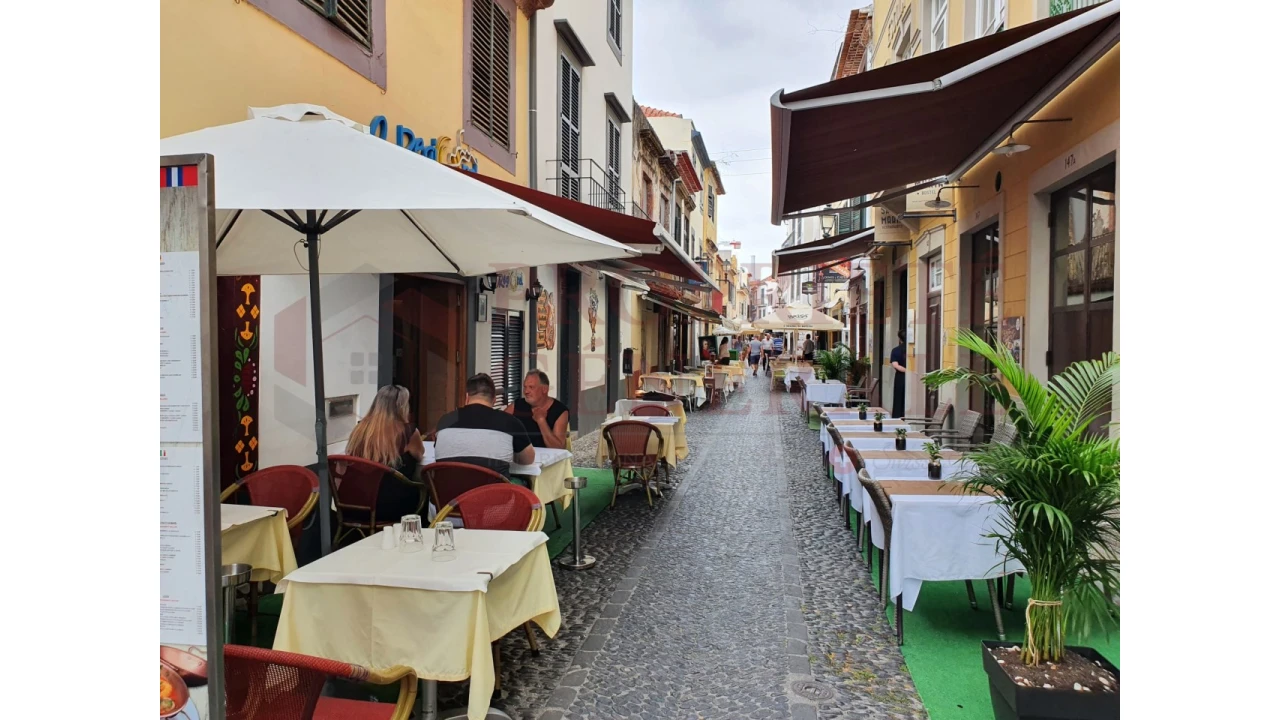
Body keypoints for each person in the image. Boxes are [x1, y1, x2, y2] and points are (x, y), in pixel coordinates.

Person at [345, 384, 425, 522]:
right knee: (424, 488)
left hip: (353, 501)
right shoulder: (407, 432)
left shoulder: (360, 429)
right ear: (402, 406)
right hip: (390, 505)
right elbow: (419, 454)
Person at [436, 373, 534, 479]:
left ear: (467, 397)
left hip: (449, 494)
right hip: (493, 494)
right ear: (494, 400)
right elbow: (528, 459)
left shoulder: (445, 421)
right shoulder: (510, 422)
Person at [506, 369, 570, 449]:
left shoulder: (560, 411)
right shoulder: (517, 405)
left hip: (547, 459)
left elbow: (558, 448)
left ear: (544, 389)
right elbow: (498, 426)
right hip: (518, 457)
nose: (526, 391)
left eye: (531, 387)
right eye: (525, 387)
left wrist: (541, 421)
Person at [890, 330, 908, 419]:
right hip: (912, 378)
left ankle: (897, 417)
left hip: (900, 377)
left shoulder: (896, 350)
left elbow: (895, 365)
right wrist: (910, 372)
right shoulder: (913, 349)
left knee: (898, 397)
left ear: (900, 339)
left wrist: (906, 371)